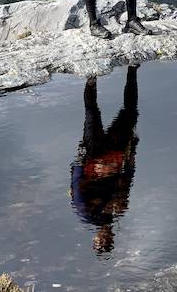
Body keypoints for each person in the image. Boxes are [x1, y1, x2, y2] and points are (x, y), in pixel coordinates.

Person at [69, 65, 140, 254]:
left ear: (95, 239)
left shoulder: (86, 214)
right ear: (112, 238)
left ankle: (91, 78)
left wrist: (80, 160)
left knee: (92, 113)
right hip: (116, 154)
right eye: (108, 241)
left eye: (101, 241)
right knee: (130, 112)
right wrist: (132, 153)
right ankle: (132, 70)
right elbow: (126, 181)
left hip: (93, 155)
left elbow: (76, 186)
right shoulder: (117, 212)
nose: (105, 237)